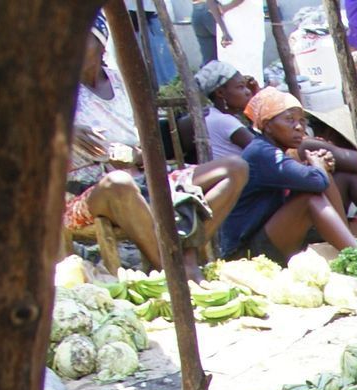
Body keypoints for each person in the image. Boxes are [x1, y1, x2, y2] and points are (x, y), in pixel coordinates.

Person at [64, 22, 248, 276]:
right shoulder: (55, 89)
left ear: (101, 43)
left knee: (235, 168)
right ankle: (175, 273)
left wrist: (136, 155)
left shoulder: (122, 82)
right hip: (87, 194)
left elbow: (149, 142)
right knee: (117, 182)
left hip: (145, 180)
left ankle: (185, 250)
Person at [197, 62, 357, 224]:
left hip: (267, 175)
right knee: (309, 150)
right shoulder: (228, 124)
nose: (247, 92)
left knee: (340, 173)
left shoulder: (223, 118)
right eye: (241, 87)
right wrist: (316, 164)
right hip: (257, 197)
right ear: (220, 93)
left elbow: (266, 126)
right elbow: (265, 140)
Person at [217, 88, 357, 262]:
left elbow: (316, 179)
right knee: (309, 198)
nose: (299, 127)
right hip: (244, 253)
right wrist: (318, 165)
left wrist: (322, 167)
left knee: (329, 178)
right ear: (268, 126)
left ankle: (350, 248)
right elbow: (316, 181)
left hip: (269, 236)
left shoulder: (275, 151)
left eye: (302, 121)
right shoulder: (262, 153)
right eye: (289, 120)